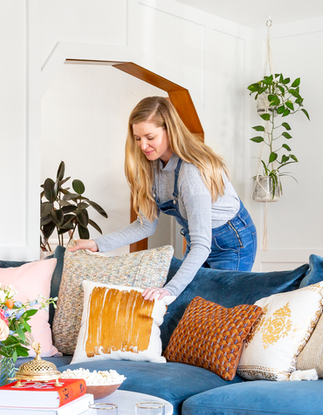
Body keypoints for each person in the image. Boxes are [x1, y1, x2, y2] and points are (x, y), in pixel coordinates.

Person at [67, 96, 257, 301]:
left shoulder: (190, 174)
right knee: (185, 305)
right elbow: (145, 226)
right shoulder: (150, 167)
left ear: (170, 130)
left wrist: (170, 289)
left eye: (150, 137)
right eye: (137, 138)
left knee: (218, 309)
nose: (143, 145)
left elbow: (202, 244)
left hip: (232, 242)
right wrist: (97, 244)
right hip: (198, 240)